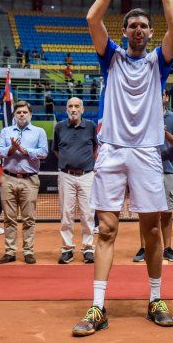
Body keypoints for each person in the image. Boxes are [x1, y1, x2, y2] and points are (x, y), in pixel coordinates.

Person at [71, 0, 173, 337]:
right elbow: (91, 19)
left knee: (151, 232)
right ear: (124, 30)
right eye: (132, 25)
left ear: (150, 33)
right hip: (113, 150)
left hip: (148, 151)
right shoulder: (111, 58)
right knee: (106, 229)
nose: (138, 29)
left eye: (143, 26)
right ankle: (98, 307)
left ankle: (155, 299)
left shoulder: (158, 63)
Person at [133, 89, 173, 263]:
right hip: (145, 171)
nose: (158, 96)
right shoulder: (143, 117)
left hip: (166, 170)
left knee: (167, 212)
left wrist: (165, 133)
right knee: (144, 211)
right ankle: (143, 247)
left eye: (161, 94)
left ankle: (167, 248)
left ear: (166, 98)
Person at [0, 101, 48, 264]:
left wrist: (26, 151)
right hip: (8, 178)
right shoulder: (6, 131)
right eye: (19, 112)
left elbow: (44, 152)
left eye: (25, 112)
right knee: (9, 218)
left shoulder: (39, 132)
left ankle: (28, 251)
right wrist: (11, 150)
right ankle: (10, 252)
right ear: (15, 115)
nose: (22, 115)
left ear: (30, 114)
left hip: (29, 179)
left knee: (28, 218)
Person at [54, 97, 97, 264]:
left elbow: (95, 147)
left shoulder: (91, 127)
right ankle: (67, 249)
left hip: (87, 175)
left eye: (77, 106)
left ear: (82, 109)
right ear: (66, 109)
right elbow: (57, 150)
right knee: (66, 214)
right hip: (66, 175)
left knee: (88, 214)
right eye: (70, 106)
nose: (73, 109)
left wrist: (84, 163)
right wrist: (69, 163)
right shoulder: (59, 127)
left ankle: (88, 249)